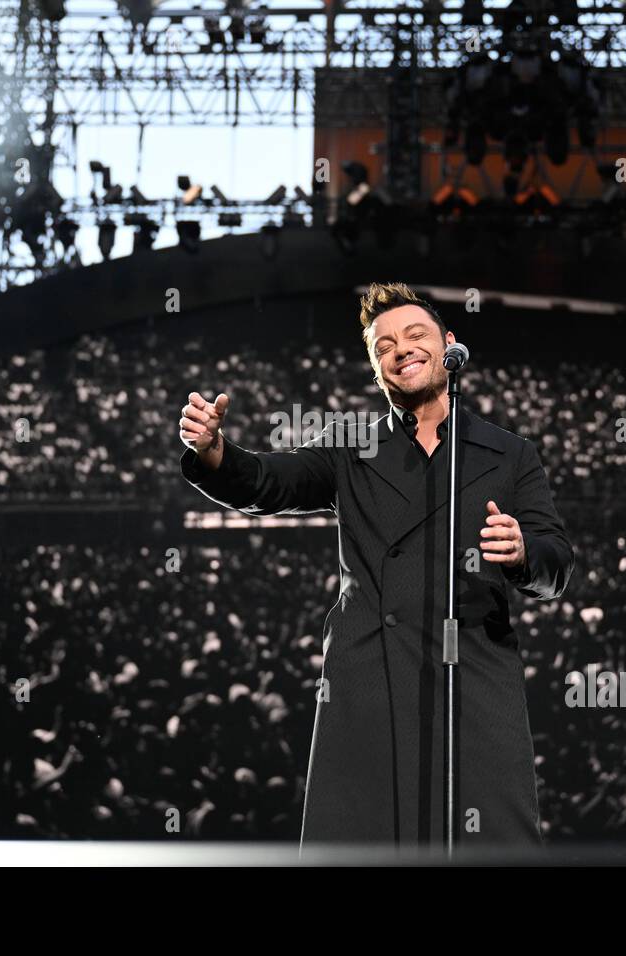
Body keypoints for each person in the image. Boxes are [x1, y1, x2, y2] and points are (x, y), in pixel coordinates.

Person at [178, 281, 575, 846]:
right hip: (368, 687)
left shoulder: (509, 455)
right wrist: (215, 451)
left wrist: (522, 552)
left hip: (474, 690)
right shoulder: (350, 448)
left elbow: (556, 564)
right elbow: (269, 482)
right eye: (383, 345)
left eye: (415, 335)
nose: (401, 349)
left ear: (449, 346)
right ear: (376, 370)